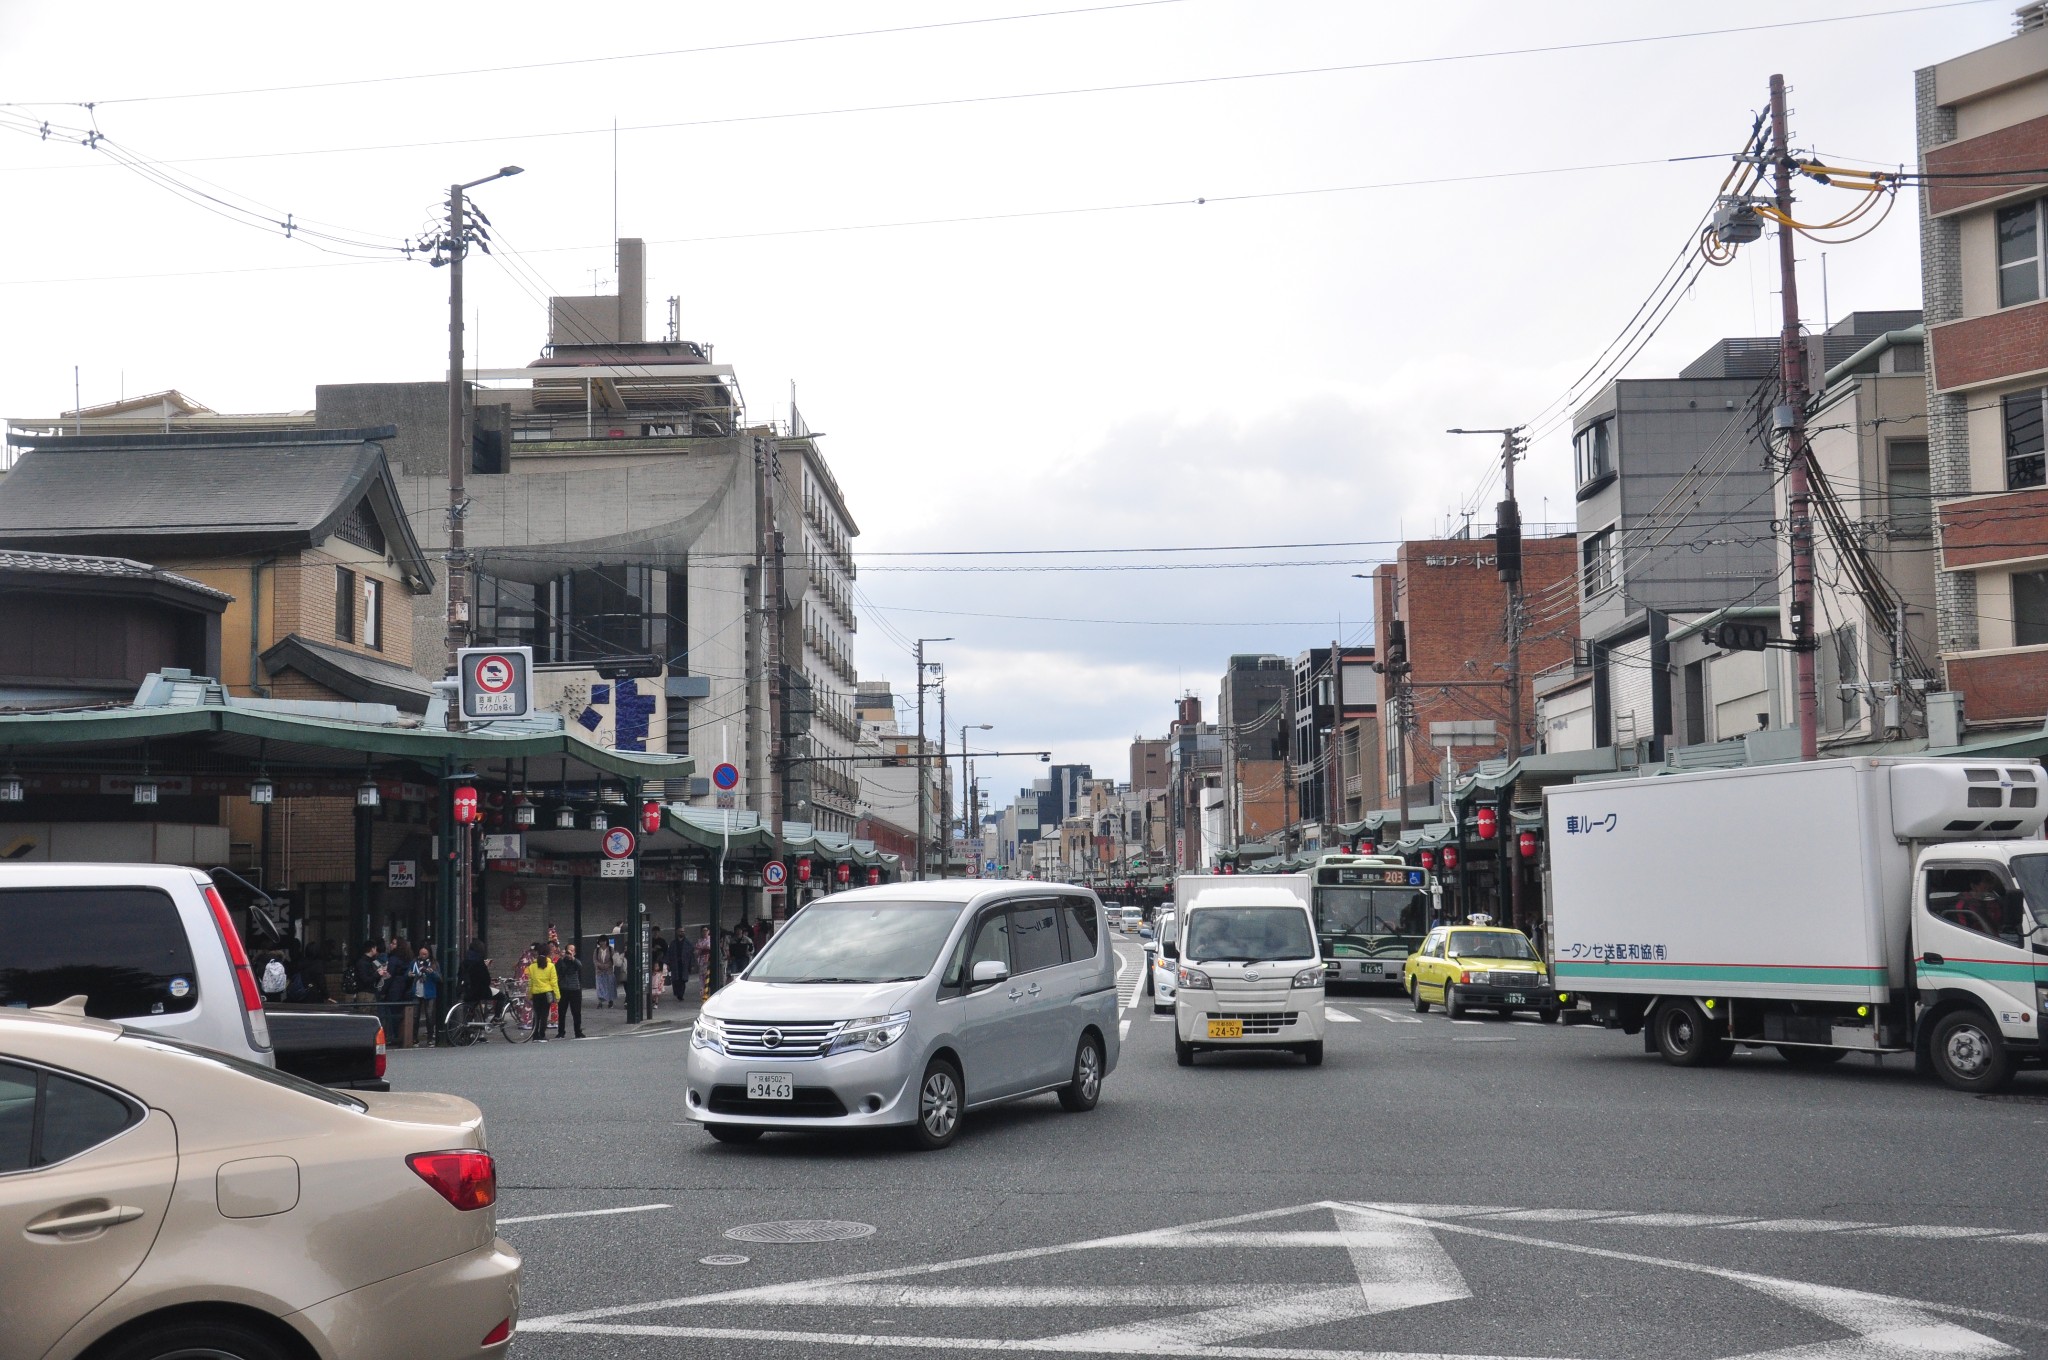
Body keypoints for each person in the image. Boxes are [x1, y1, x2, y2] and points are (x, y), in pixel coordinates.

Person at [525, 943, 559, 1043]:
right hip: (547, 993)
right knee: (544, 1014)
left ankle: (534, 1034)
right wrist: (557, 995)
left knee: (536, 1014)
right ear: (548, 953)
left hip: (536, 993)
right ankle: (542, 1034)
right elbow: (554, 982)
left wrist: (530, 994)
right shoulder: (551, 966)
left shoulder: (532, 966)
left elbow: (530, 982)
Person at [410, 947, 440, 1044]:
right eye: (421, 954)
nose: (422, 956)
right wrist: (409, 974)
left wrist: (432, 973)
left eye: (425, 954)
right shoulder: (414, 963)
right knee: (415, 1016)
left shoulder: (434, 964)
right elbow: (408, 972)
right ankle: (414, 1038)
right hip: (417, 991)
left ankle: (430, 1038)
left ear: (429, 954)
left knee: (429, 1015)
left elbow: (439, 978)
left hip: (429, 992)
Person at [555, 943, 585, 1038]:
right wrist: (563, 958)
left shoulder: (575, 961)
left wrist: (572, 958)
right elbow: (557, 970)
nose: (570, 952)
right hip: (563, 989)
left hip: (575, 989)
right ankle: (561, 1032)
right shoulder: (561, 961)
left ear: (574, 952)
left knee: (576, 1012)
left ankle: (578, 1031)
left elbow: (580, 966)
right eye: (568, 950)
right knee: (562, 1012)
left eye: (572, 951)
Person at [345, 940, 383, 1009]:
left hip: (371, 991)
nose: (376, 951)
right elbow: (365, 979)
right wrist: (377, 974)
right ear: (372, 949)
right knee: (366, 1013)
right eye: (375, 948)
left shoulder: (372, 961)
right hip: (365, 993)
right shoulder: (362, 962)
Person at [593, 937, 616, 1008]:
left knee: (610, 986)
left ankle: (610, 1001)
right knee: (600, 986)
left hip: (608, 971)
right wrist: (600, 965)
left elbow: (613, 959)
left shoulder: (610, 949)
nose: (602, 943)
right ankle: (600, 1002)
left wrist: (606, 965)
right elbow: (595, 960)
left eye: (604, 941)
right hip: (599, 971)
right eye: (601, 941)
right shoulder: (596, 950)